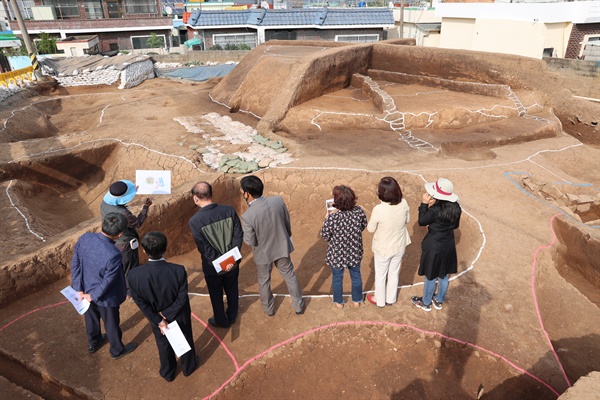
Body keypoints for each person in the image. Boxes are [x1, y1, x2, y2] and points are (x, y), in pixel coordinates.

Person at [127, 232, 199, 382]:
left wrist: (159, 319)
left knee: (163, 341)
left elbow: (141, 302)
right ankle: (188, 367)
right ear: (165, 248)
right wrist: (168, 313)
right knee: (185, 338)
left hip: (156, 316)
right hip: (179, 314)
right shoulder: (178, 270)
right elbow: (182, 297)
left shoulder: (134, 276)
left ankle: (168, 371)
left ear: (144, 251)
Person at [71, 212, 137, 359]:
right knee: (111, 323)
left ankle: (93, 343)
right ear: (119, 234)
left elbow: (75, 263)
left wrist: (79, 289)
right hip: (105, 296)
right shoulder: (113, 254)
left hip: (85, 290)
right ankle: (117, 350)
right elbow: (108, 280)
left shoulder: (85, 238)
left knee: (91, 319)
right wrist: (93, 296)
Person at [240, 175, 305, 316]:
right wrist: (286, 237)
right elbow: (287, 222)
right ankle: (298, 306)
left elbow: (249, 241)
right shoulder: (277, 200)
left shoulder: (247, 216)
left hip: (263, 253)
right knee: (289, 275)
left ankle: (269, 309)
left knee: (264, 281)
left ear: (247, 194)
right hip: (281, 246)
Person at [189, 181, 243, 328]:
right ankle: (232, 314)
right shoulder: (229, 210)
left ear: (196, 198)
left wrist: (219, 262)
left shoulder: (194, 221)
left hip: (212, 266)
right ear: (211, 194)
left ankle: (221, 319)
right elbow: (238, 235)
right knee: (232, 287)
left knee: (215, 292)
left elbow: (204, 248)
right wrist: (232, 257)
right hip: (232, 261)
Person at [411, 178, 462, 312]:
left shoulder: (435, 210)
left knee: (431, 275)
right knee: (444, 274)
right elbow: (455, 225)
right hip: (448, 244)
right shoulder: (456, 206)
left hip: (434, 245)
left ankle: (426, 302)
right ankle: (439, 300)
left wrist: (424, 204)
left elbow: (422, 221)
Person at [366, 177, 411, 307]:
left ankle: (379, 301)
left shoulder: (378, 209)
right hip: (399, 245)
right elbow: (407, 220)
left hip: (384, 248)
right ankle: (390, 299)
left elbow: (370, 229)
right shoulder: (404, 203)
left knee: (380, 275)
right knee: (393, 273)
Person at [320, 185, 368, 308]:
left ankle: (338, 302)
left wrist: (326, 219)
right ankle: (357, 300)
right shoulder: (358, 212)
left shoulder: (332, 217)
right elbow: (363, 225)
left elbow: (325, 236)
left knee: (337, 278)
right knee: (356, 275)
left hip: (337, 253)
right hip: (354, 251)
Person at [100, 180, 152, 280]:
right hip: (125, 244)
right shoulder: (124, 213)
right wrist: (146, 207)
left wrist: (132, 190)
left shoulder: (104, 203)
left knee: (119, 267)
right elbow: (137, 223)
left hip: (112, 242)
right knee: (130, 269)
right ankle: (129, 292)